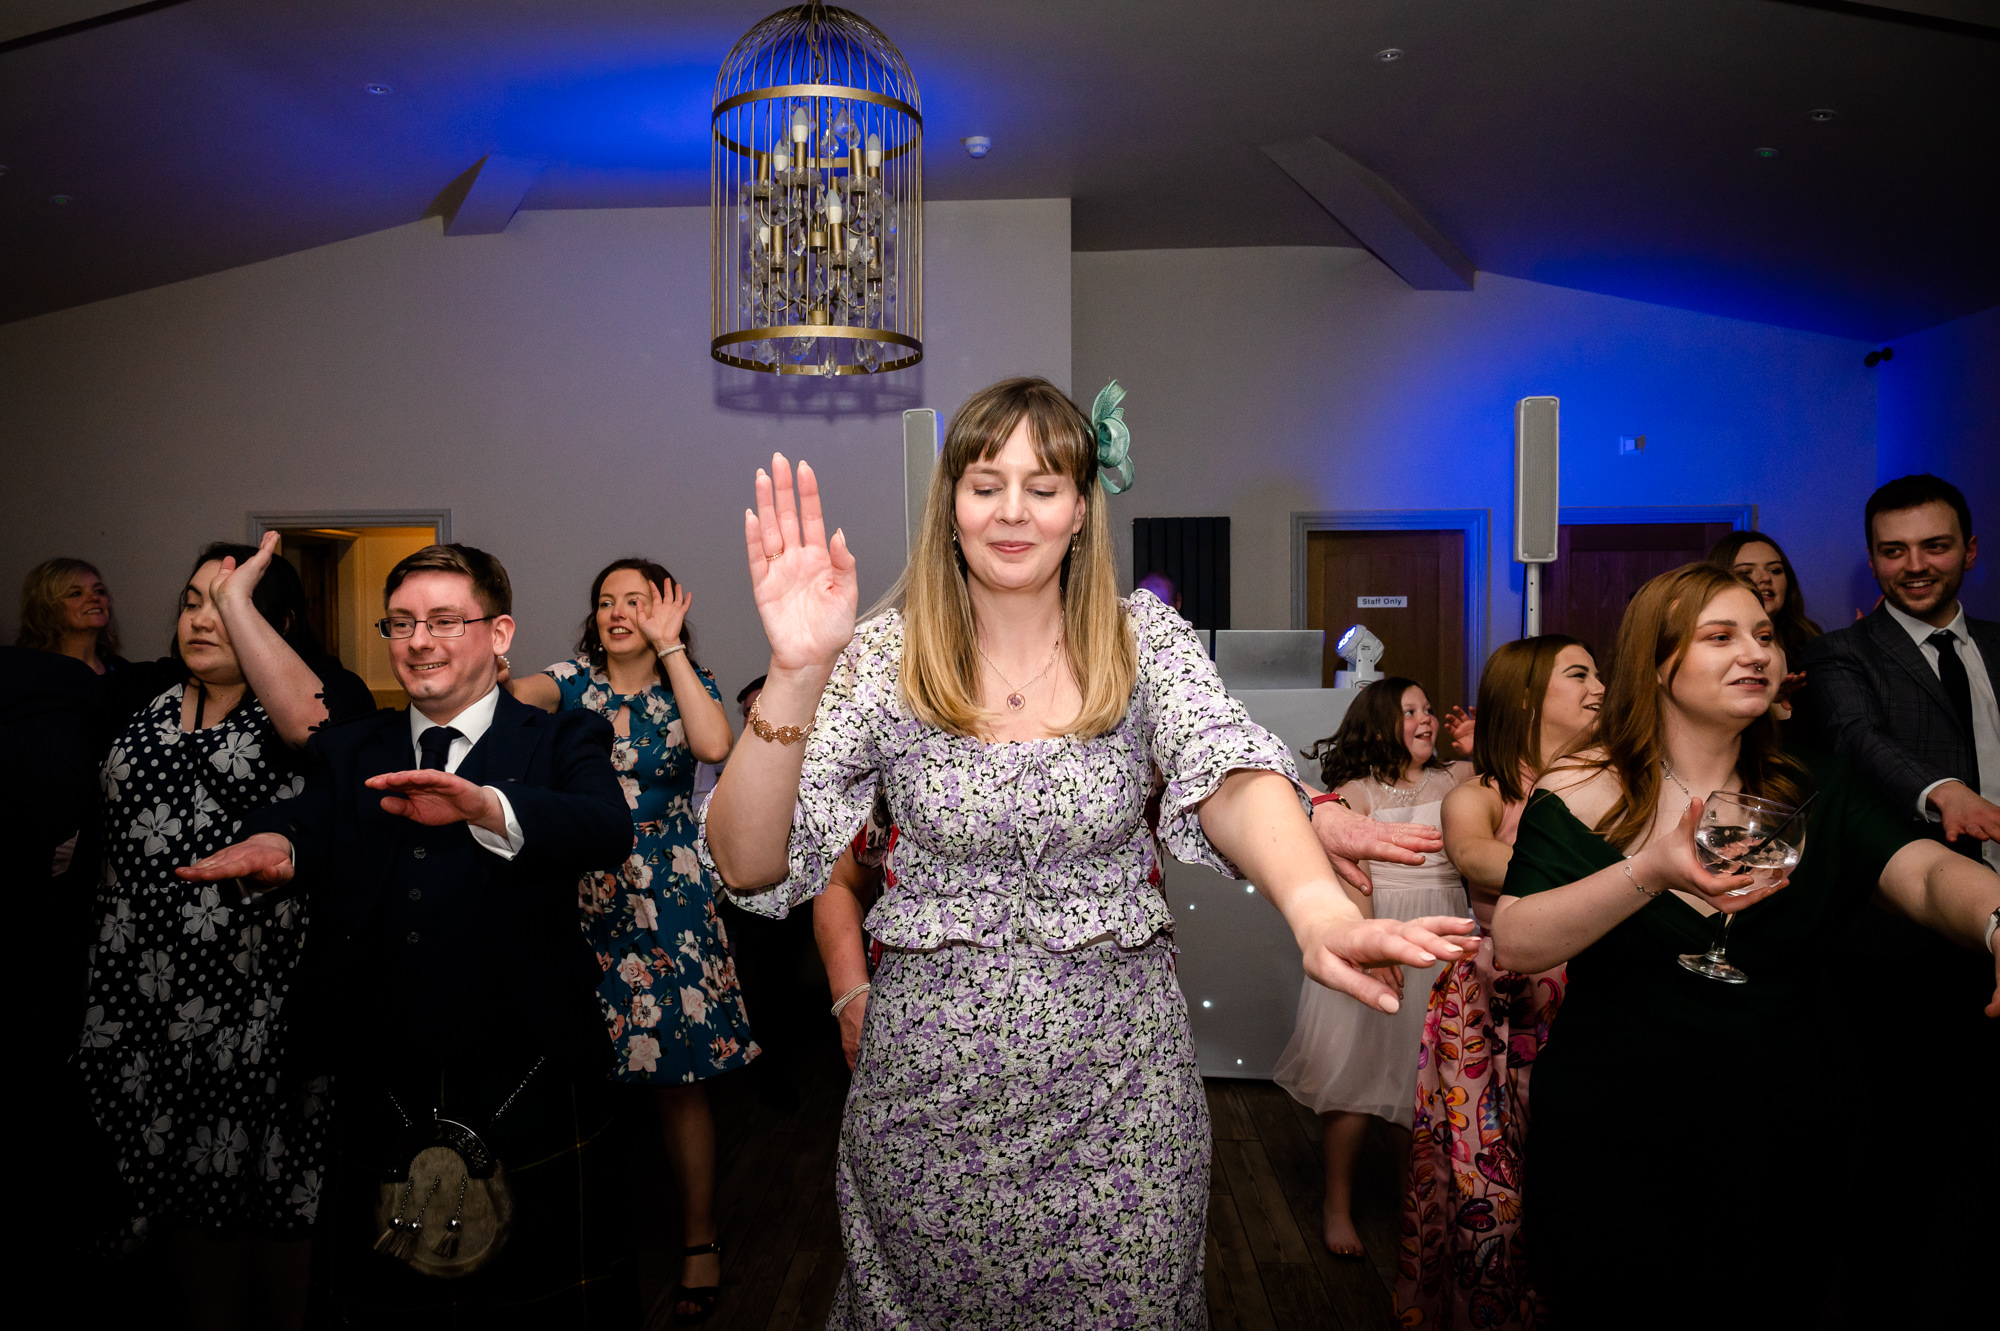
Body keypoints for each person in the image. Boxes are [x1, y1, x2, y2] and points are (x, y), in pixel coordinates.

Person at [700, 377, 1475, 1328]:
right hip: (930, 1101)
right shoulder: (881, 655)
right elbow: (747, 861)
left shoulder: (1139, 639)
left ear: (1081, 505)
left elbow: (1227, 769)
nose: (1014, 509)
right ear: (951, 502)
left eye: (1044, 483)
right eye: (987, 483)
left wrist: (1314, 906)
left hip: (1121, 1096)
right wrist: (792, 671)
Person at [1490, 563, 2000, 1330]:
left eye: (1763, 635)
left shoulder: (1817, 786)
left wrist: (1996, 920)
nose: (1755, 653)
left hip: (1786, 1117)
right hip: (1618, 1119)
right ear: (1658, 663)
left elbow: (1926, 875)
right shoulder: (1579, 789)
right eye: (1720, 636)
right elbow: (1518, 938)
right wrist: (1651, 869)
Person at [178, 543, 636, 1327]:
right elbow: (310, 821)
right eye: (401, 623)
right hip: (381, 1077)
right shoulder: (358, 743)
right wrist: (280, 847)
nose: (418, 640)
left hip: (528, 1070)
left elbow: (605, 827)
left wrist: (487, 806)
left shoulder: (559, 737)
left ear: (499, 634)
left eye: (444, 620)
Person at [72, 534, 373, 1331]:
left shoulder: (317, 702)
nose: (204, 618)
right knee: (164, 1183)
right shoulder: (141, 701)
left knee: (260, 1183)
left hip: (254, 994)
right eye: (194, 600)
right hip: (137, 989)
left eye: (229, 601)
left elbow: (326, 735)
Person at [505, 557, 751, 1324]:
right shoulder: (570, 681)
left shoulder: (690, 681)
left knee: (679, 1078)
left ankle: (700, 1239)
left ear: (664, 611)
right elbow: (504, 700)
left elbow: (714, 746)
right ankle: (568, 1235)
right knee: (574, 1068)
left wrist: (671, 650)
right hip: (582, 886)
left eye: (634, 601)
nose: (617, 612)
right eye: (605, 601)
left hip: (670, 893)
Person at [1792, 473, 1999, 1324]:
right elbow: (1855, 736)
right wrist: (1943, 790)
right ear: (1873, 558)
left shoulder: (1996, 642)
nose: (1915, 565)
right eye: (1893, 550)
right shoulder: (1846, 653)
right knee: (1902, 1161)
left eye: (1935, 545)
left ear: (1970, 551)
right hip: (1899, 948)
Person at [1394, 635, 1601, 1330]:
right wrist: (1629, 873)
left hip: (1595, 999)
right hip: (1493, 1004)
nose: (1600, 685)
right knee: (1489, 1189)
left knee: (1578, 1185)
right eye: (1580, 674)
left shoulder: (1622, 786)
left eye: (1600, 672)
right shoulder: (1478, 793)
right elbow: (1483, 860)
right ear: (1527, 697)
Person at [1274, 677, 1472, 1258]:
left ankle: (1424, 1204)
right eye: (1410, 710)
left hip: (1441, 933)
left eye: (1429, 708)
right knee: (1356, 1079)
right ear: (1380, 722)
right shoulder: (1355, 793)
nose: (1426, 719)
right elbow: (1351, 876)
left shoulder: (1456, 778)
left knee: (1425, 1079)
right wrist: (1370, 946)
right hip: (1382, 930)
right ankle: (1338, 1206)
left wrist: (1475, 743)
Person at [1705, 530, 1820, 721]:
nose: (1765, 578)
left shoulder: (1812, 642)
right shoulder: (1709, 650)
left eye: (1775, 570)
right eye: (1745, 572)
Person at [17, 556, 124, 675]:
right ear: (46, 608)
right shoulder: (29, 674)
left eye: (99, 591)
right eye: (76, 593)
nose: (94, 598)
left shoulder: (128, 674)